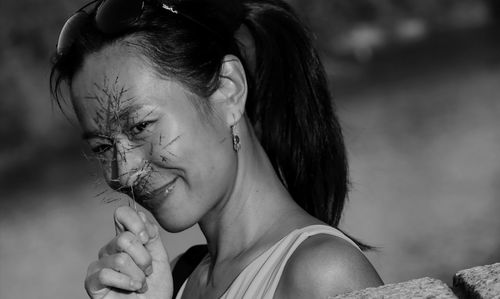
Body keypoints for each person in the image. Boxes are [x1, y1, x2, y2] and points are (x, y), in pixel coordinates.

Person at [50, 0, 383, 298]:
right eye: (103, 146)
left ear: (228, 91)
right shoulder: (174, 280)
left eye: (140, 126)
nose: (122, 171)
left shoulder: (322, 274)